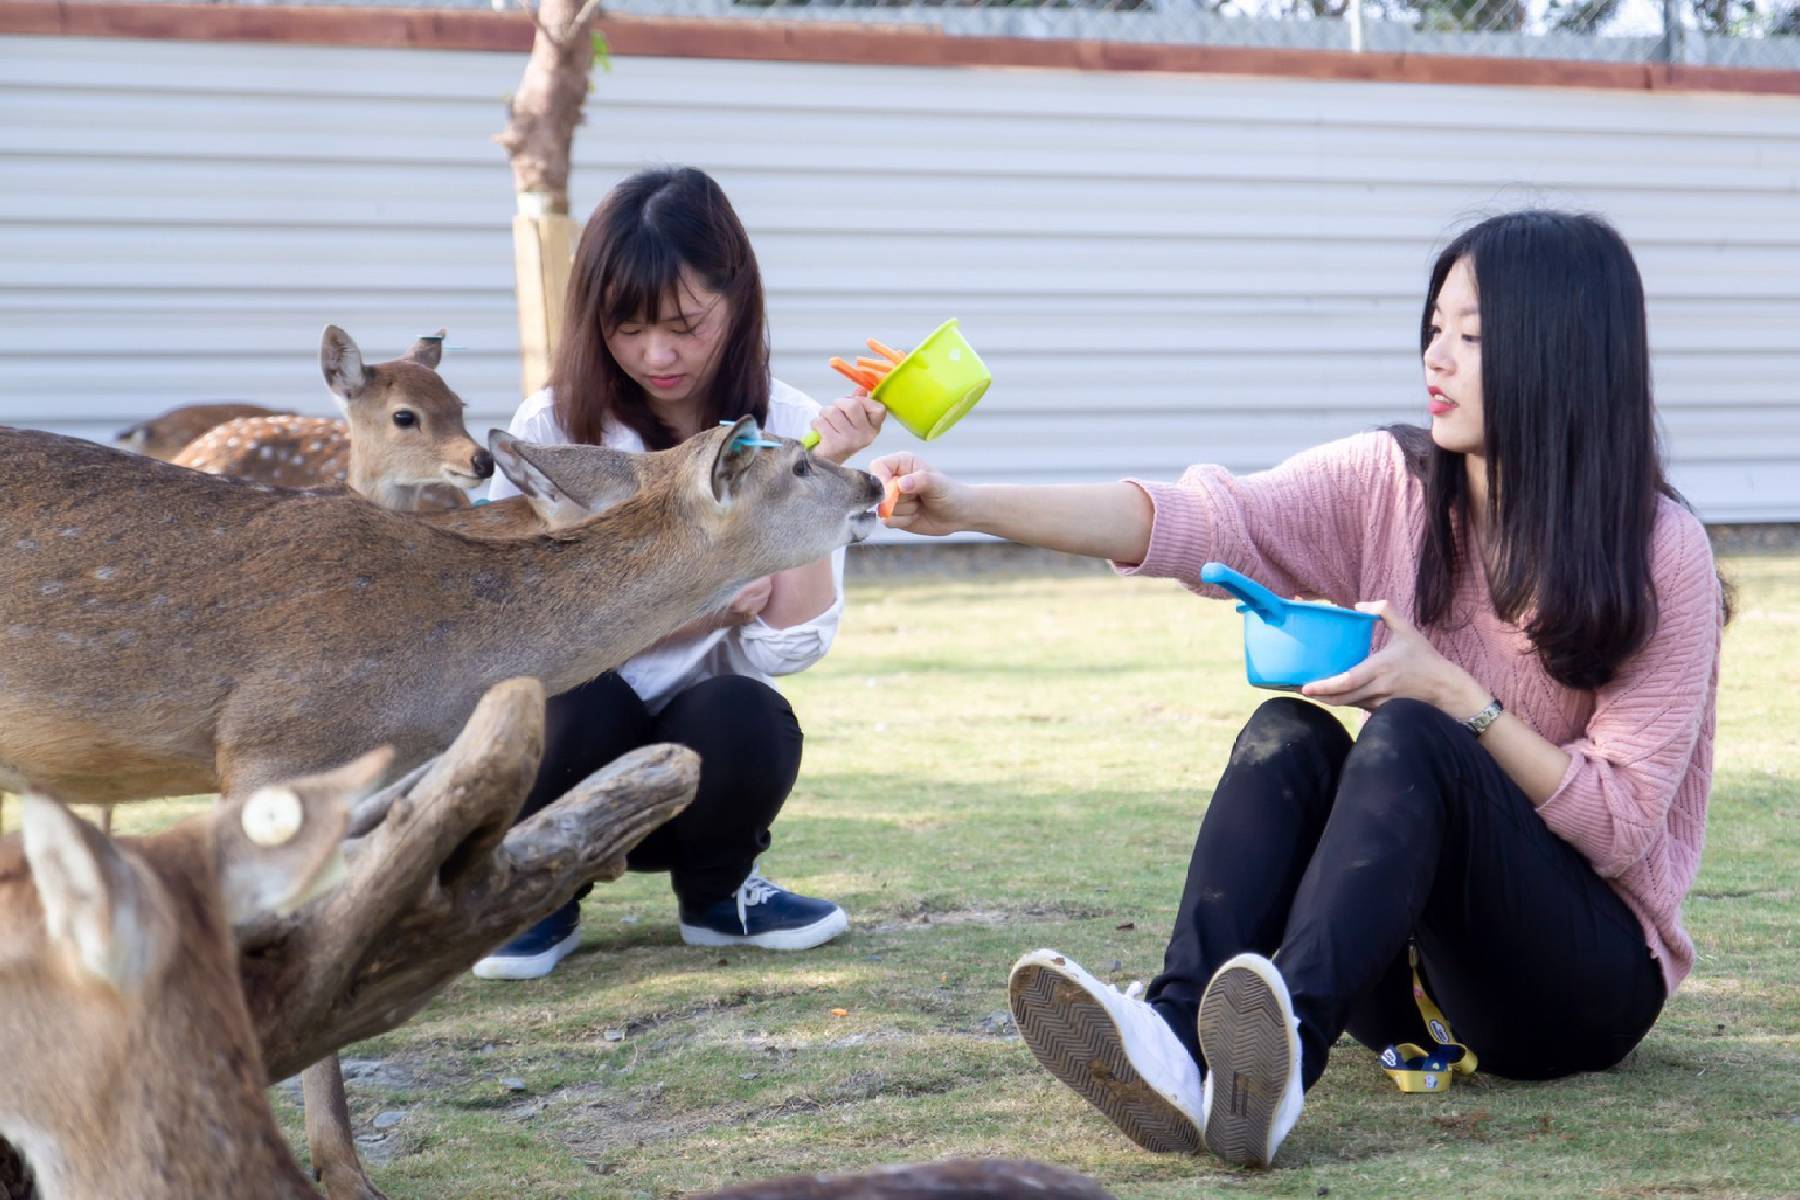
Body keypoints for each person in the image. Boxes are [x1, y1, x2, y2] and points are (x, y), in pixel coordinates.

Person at [871, 210, 1726, 1166]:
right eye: (1435, 326)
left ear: (1563, 351)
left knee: (1412, 733)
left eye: (1473, 336)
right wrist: (968, 507)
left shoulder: (1659, 553)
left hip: (1574, 990)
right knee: (1289, 731)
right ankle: (1176, 1032)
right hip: (1403, 971)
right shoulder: (1392, 485)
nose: (1437, 357)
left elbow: (1620, 823)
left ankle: (1277, 1074)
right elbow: (1201, 519)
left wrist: (1453, 695)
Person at [471, 166, 886, 980]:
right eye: (626, 328)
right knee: (570, 696)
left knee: (749, 712)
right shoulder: (553, 427)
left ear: (738, 299)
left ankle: (718, 894)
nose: (657, 355)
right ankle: (533, 892)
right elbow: (514, 626)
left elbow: (789, 643)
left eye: (686, 325)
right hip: (568, 757)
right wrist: (709, 605)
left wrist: (817, 468)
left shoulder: (792, 424)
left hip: (698, 771)